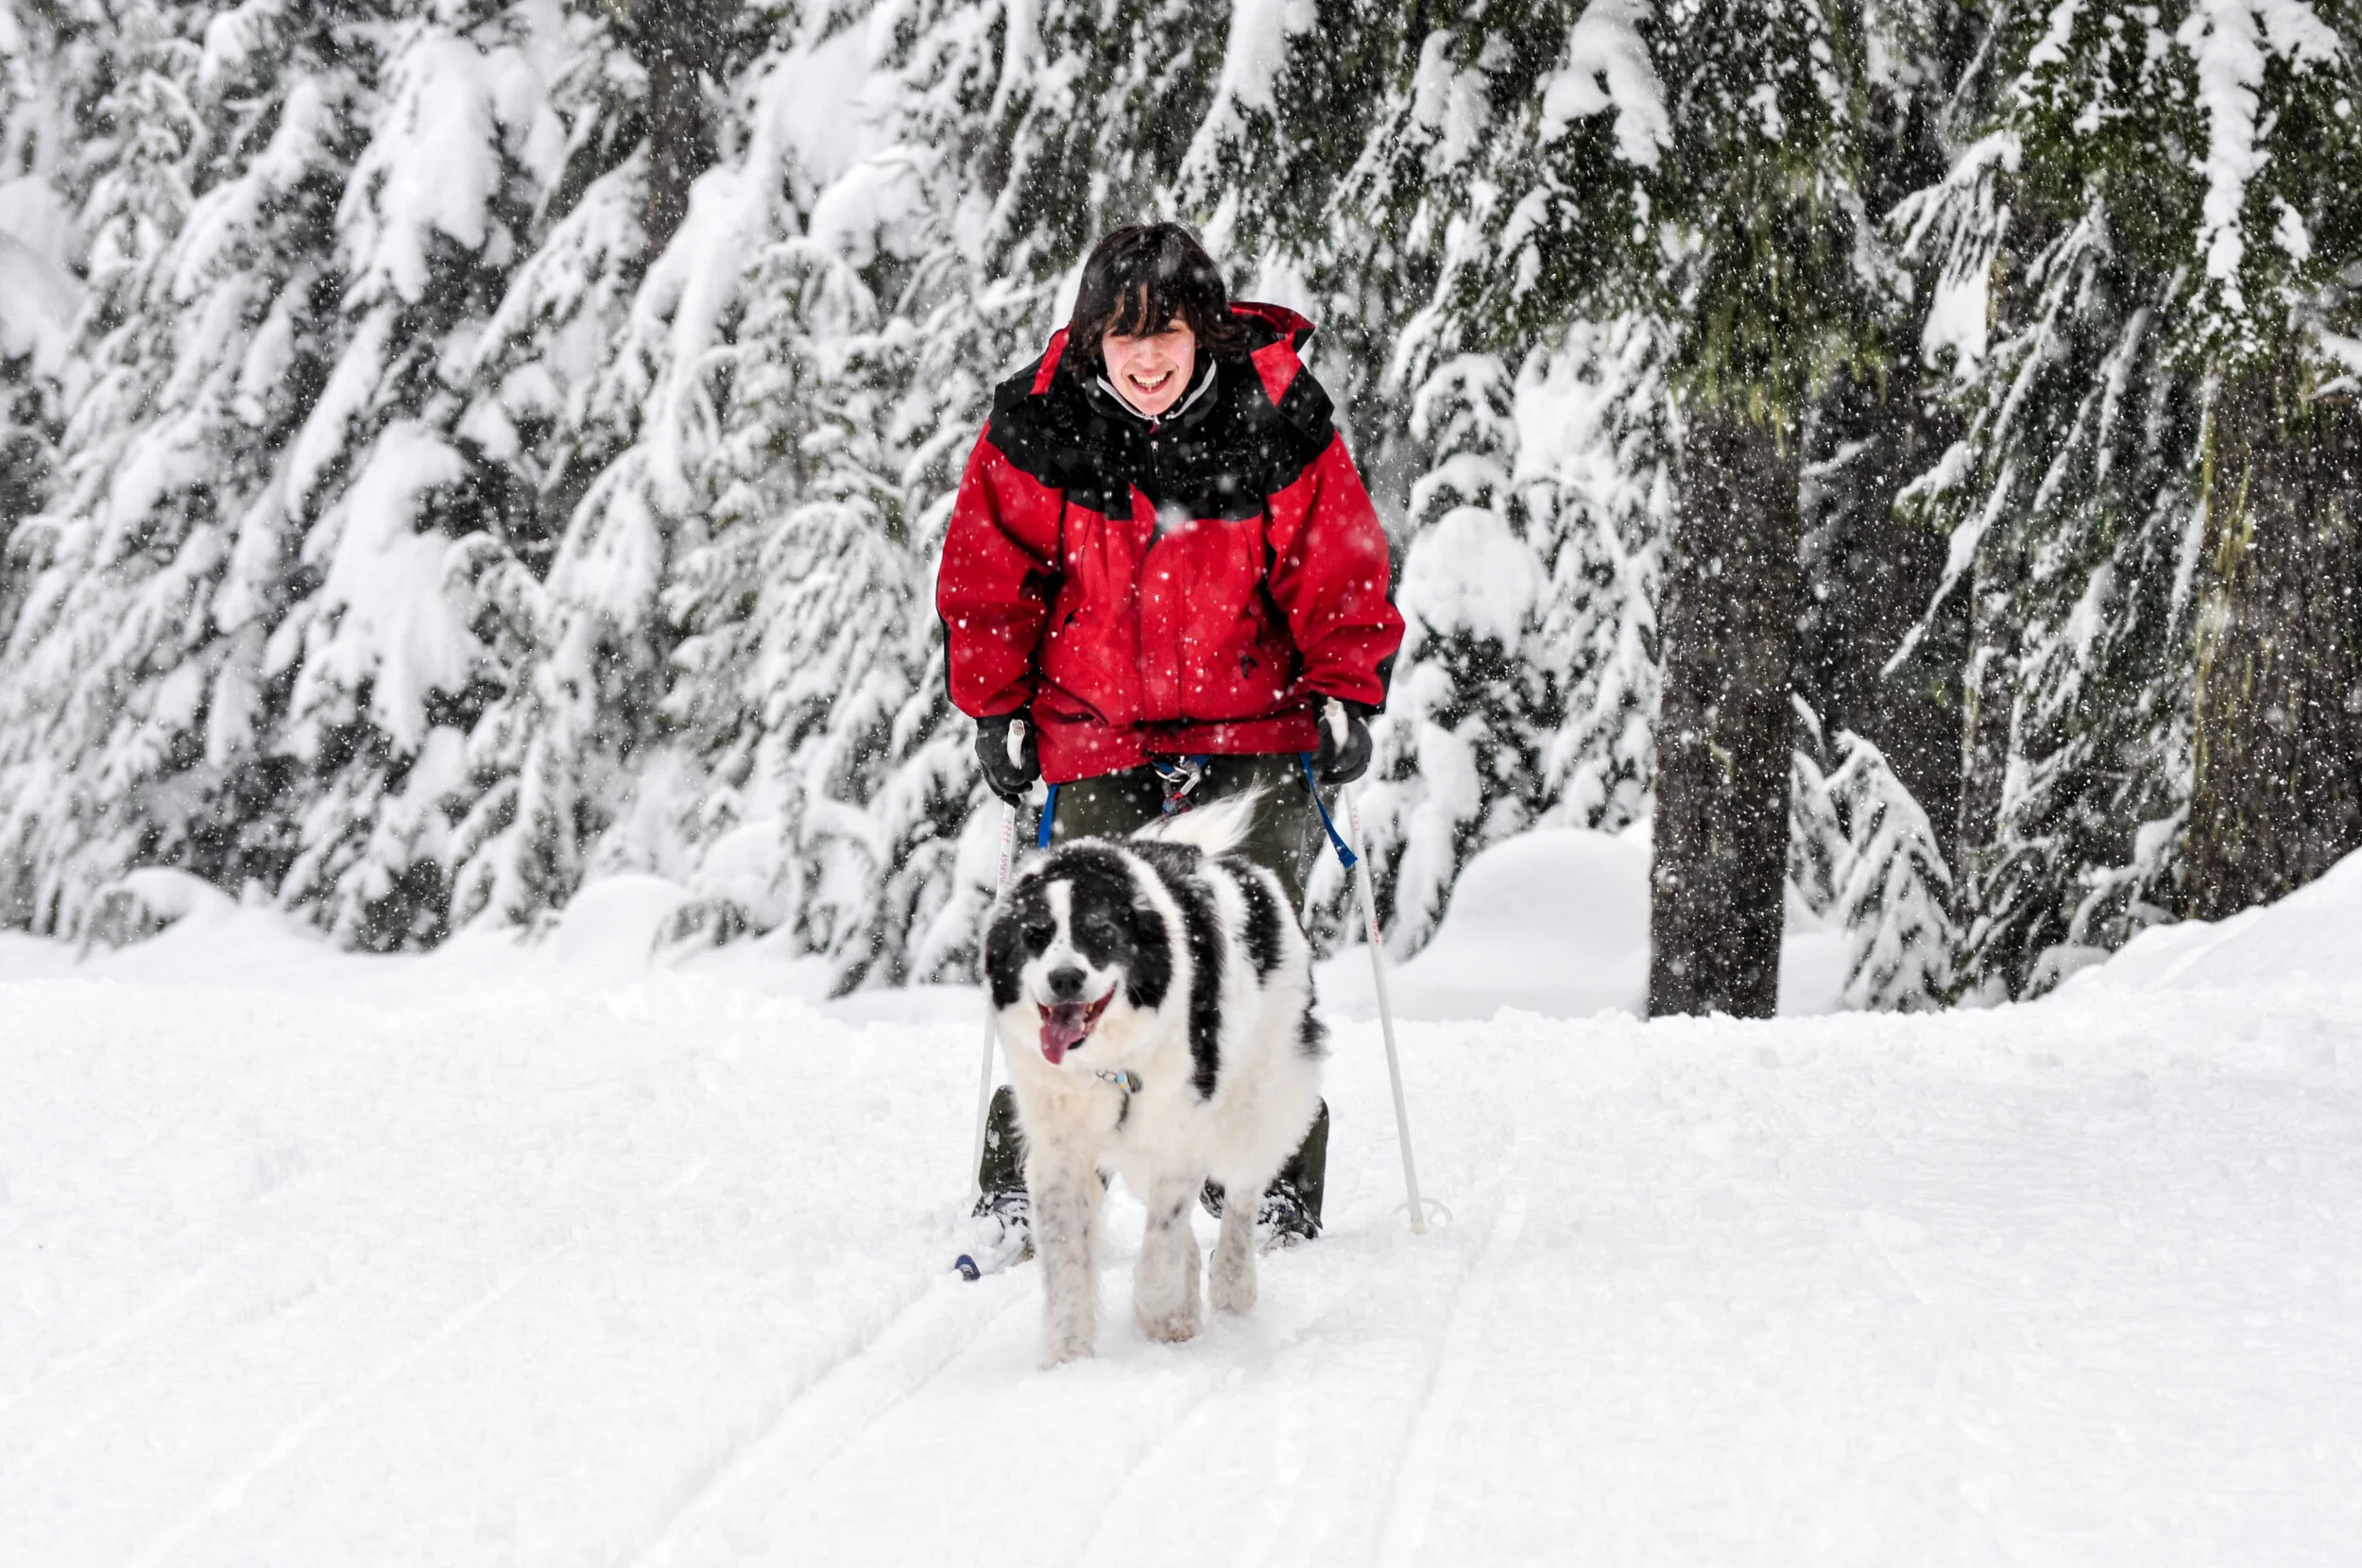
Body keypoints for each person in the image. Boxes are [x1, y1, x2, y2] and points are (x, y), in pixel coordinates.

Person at [936, 221, 1403, 1257]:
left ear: (1206, 332)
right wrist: (996, 705)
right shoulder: (1036, 426)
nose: (1146, 358)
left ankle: (1263, 1187)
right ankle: (1033, 1187)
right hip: (1095, 735)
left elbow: (1339, 566)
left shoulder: (1275, 416)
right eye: (1123, 335)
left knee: (1248, 962)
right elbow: (989, 581)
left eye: (1168, 333)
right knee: (1071, 965)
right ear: (1092, 337)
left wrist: (1344, 692)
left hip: (1257, 730)